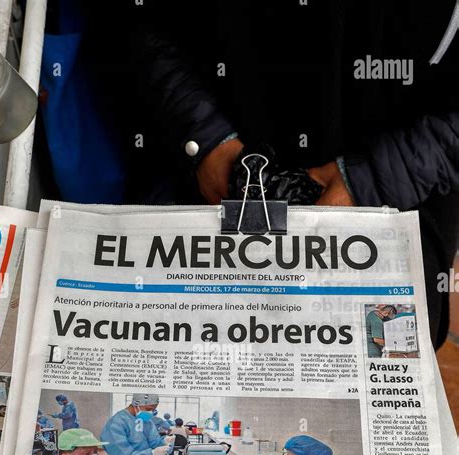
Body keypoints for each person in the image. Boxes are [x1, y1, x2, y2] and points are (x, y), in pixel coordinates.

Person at [113, 0, 458, 349]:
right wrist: (204, 138)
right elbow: (134, 19)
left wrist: (374, 180)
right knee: (159, 329)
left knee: (391, 342)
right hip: (202, 155)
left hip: (403, 178)